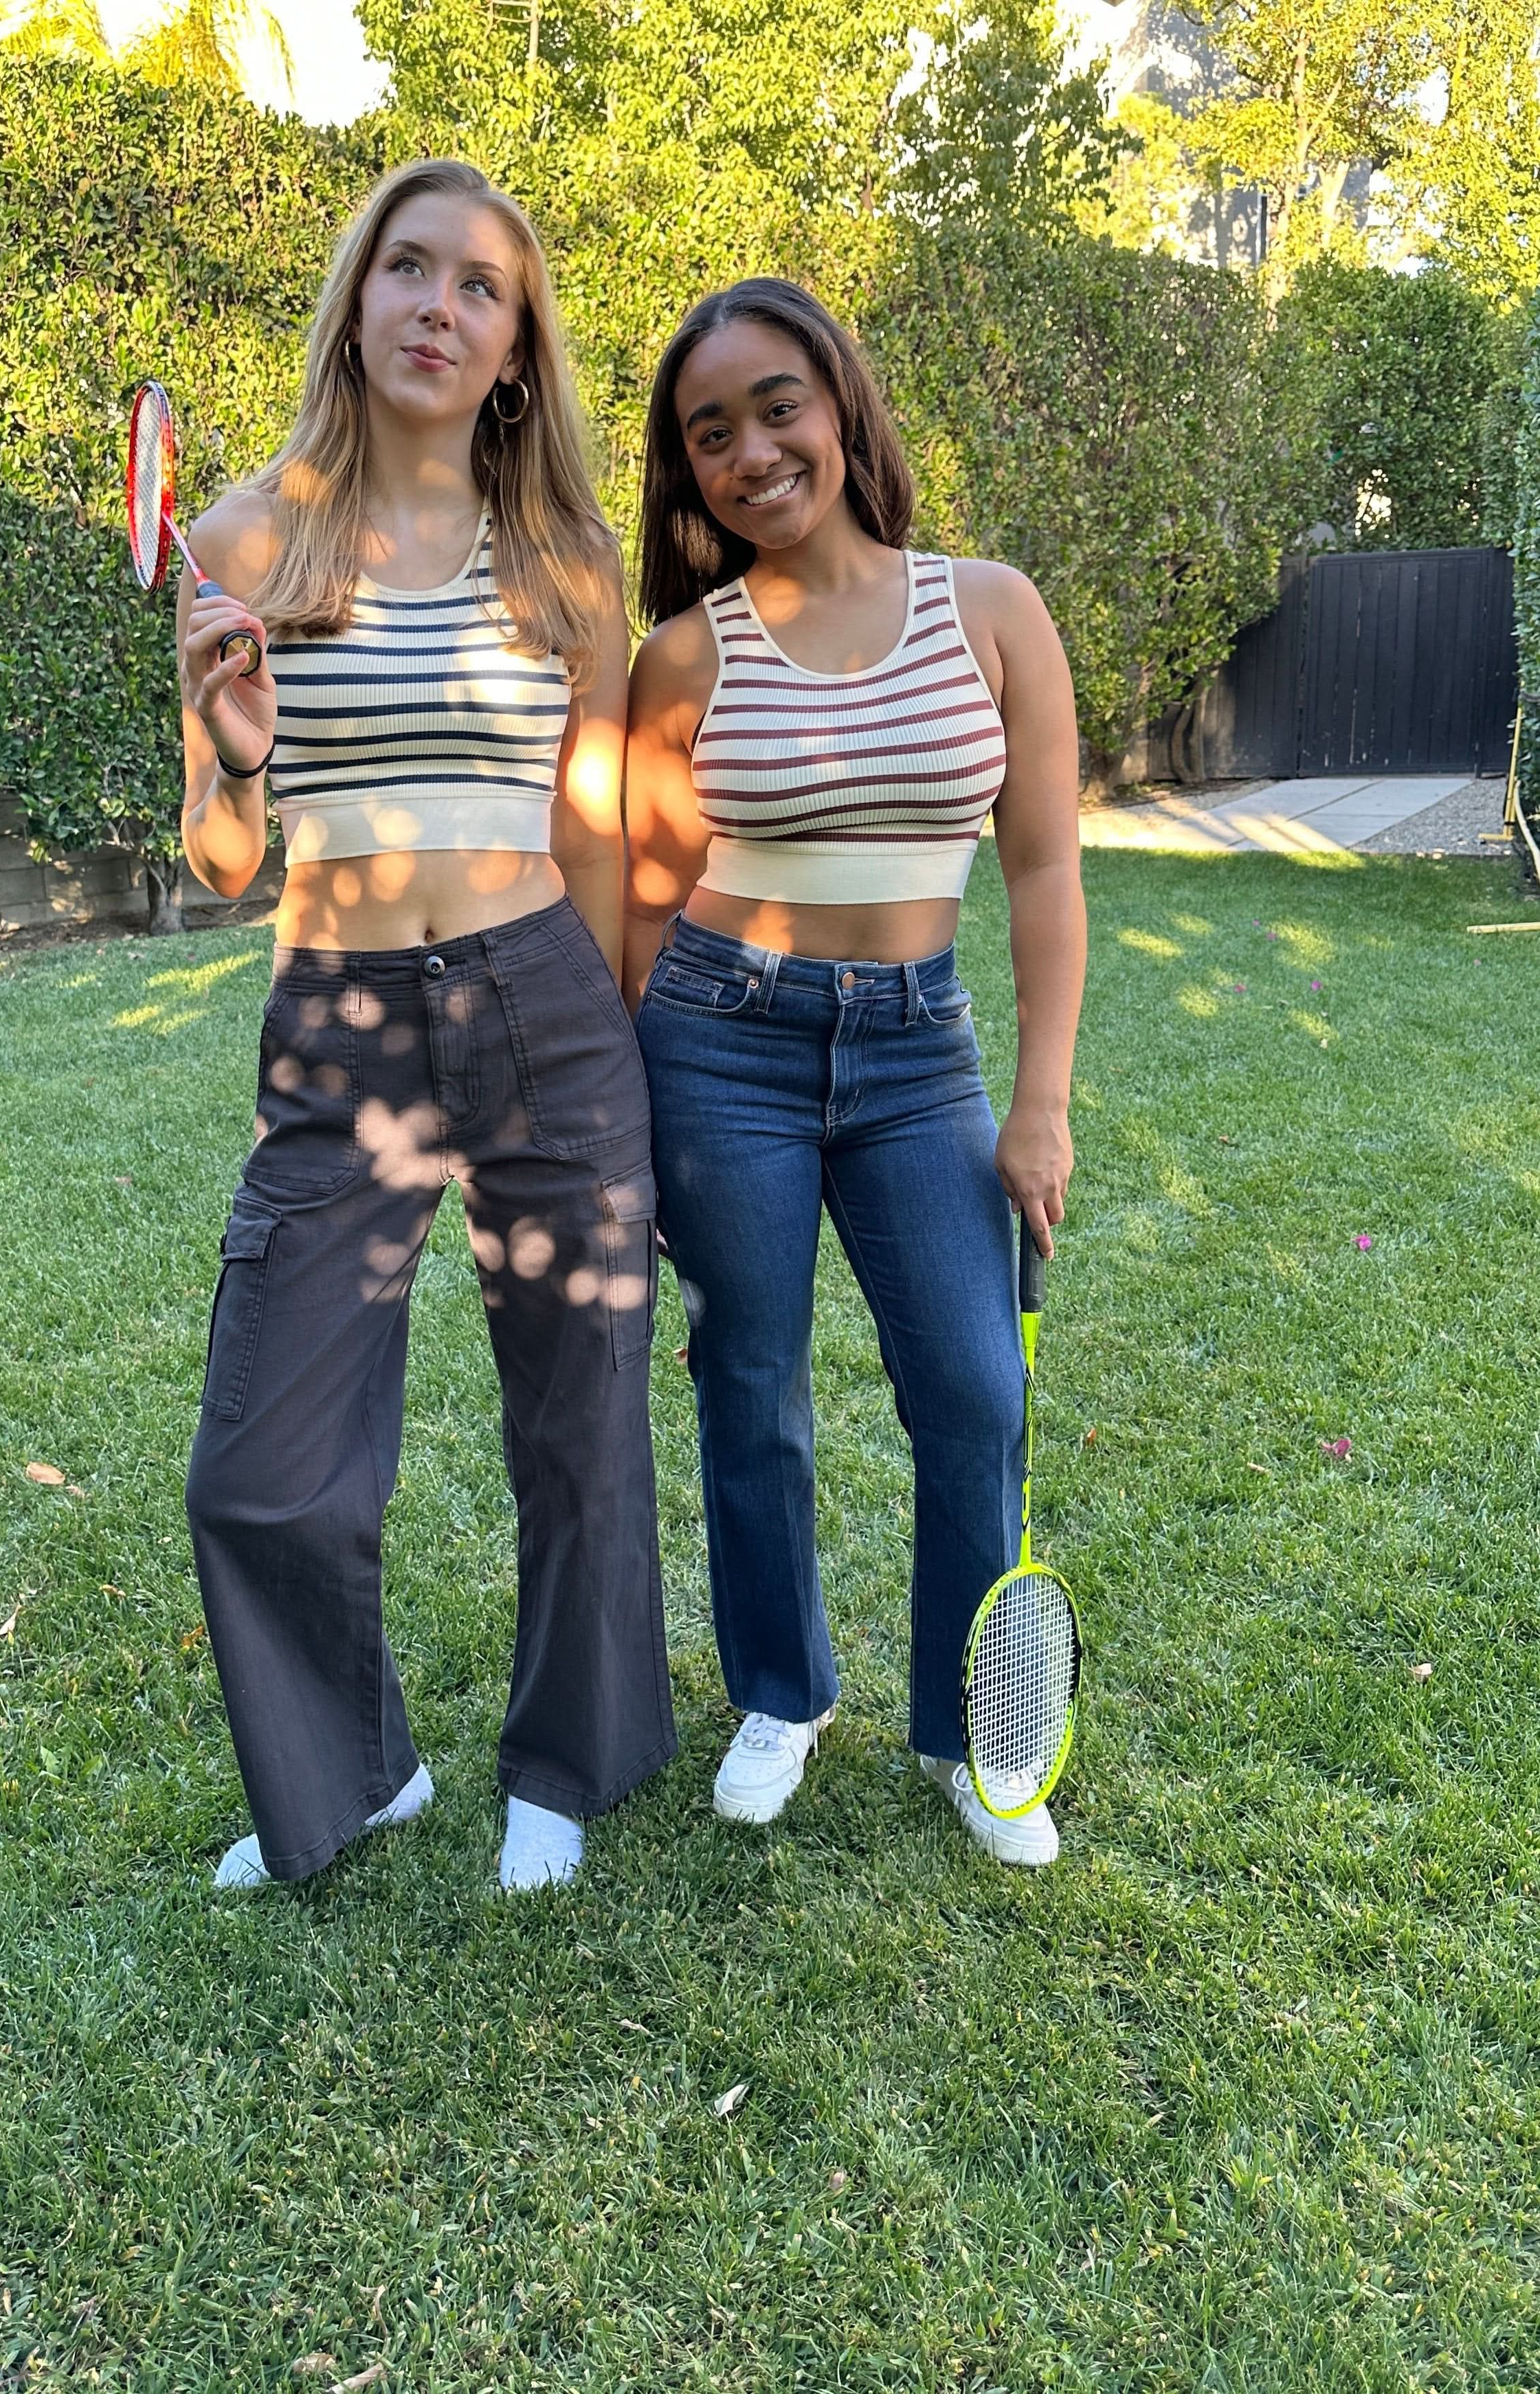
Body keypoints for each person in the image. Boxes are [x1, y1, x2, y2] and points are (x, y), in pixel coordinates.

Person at [178, 159, 675, 1897]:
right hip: (338, 1021)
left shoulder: (564, 560)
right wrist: (234, 741)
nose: (438, 307)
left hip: (543, 990)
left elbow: (600, 827)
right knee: (259, 1462)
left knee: (582, 1415)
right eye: (409, 269)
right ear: (357, 295)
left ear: (515, 347)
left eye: (480, 286)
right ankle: (357, 1770)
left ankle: (564, 1759)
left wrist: (621, 1050)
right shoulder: (244, 540)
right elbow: (226, 853)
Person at [623, 279, 1084, 1866]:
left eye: (775, 406)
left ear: (838, 405)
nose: (751, 449)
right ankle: (781, 1690)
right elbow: (637, 896)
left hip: (915, 1050)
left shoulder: (993, 609)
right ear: (685, 474)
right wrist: (629, 1117)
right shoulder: (680, 657)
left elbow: (1038, 875)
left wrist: (1038, 1098)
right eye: (709, 433)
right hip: (717, 1037)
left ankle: (968, 1735)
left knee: (973, 1382)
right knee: (746, 1372)